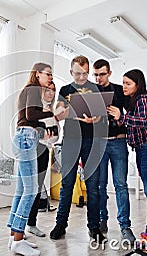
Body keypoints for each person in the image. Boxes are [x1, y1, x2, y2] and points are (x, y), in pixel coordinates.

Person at [107, 69, 147, 251]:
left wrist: (122, 117)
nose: (124, 86)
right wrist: (120, 121)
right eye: (123, 83)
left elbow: (143, 120)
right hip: (145, 149)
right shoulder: (134, 102)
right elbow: (134, 123)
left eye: (128, 83)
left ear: (137, 84)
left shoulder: (143, 99)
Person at [50, 55, 106, 245]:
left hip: (91, 141)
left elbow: (99, 117)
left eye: (85, 73)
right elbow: (57, 114)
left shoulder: (96, 88)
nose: (82, 77)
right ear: (71, 72)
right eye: (77, 73)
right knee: (67, 184)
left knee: (93, 187)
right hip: (71, 141)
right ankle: (60, 225)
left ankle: (94, 227)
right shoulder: (65, 90)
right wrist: (67, 111)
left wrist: (93, 119)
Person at [7, 62, 54, 256]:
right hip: (26, 138)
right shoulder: (34, 88)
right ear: (37, 74)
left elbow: (31, 117)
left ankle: (13, 235)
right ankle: (18, 240)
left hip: (24, 137)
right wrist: (52, 113)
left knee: (21, 190)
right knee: (31, 189)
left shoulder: (29, 90)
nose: (50, 78)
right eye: (48, 74)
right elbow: (31, 115)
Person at [93, 59, 135, 242]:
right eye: (95, 75)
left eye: (102, 74)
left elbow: (132, 114)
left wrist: (120, 116)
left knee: (121, 185)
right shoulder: (91, 91)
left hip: (118, 142)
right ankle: (102, 220)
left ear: (109, 73)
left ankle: (125, 226)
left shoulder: (120, 90)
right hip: (99, 143)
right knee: (100, 185)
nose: (98, 78)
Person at [27, 82, 59, 238]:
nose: (51, 93)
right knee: (27, 188)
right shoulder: (34, 110)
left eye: (53, 90)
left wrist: (46, 136)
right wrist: (44, 134)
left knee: (37, 188)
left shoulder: (52, 113)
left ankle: (31, 224)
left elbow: (56, 135)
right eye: (48, 90)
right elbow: (35, 130)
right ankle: (18, 227)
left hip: (44, 150)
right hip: (32, 148)